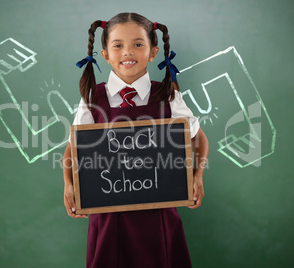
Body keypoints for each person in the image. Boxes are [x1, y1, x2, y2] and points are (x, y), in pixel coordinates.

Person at [63, 12, 209, 268]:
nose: (127, 52)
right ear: (105, 54)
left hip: (159, 212)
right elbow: (73, 149)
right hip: (108, 213)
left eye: (137, 44)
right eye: (118, 45)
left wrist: (197, 176)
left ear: (153, 52)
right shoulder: (92, 97)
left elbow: (199, 139)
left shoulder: (167, 95)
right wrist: (69, 184)